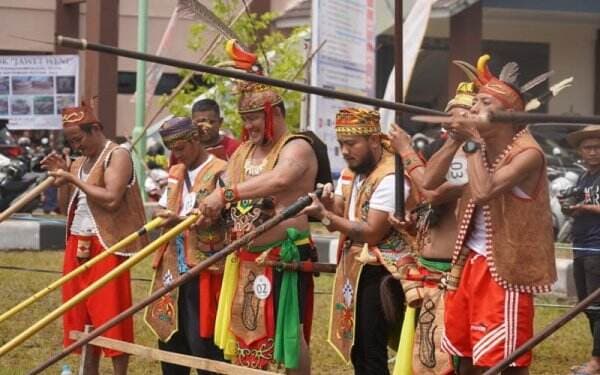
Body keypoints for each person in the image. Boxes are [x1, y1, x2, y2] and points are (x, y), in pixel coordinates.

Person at [423, 55, 557, 374]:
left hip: (507, 271)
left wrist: (469, 142)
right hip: (471, 263)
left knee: (503, 359)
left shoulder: (528, 153)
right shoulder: (479, 143)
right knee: (465, 355)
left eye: (482, 103)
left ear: (506, 114)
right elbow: (428, 183)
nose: (472, 109)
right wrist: (455, 139)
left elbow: (483, 191)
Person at [197, 79, 318, 374]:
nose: (248, 126)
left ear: (273, 112)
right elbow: (223, 183)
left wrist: (227, 194)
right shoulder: (243, 152)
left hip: (283, 256)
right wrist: (208, 207)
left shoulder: (297, 146)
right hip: (245, 256)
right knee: (246, 331)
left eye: (252, 118)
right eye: (244, 120)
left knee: (288, 332)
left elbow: (280, 179)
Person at [301, 108, 419, 375]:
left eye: (351, 144)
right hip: (357, 268)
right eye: (341, 144)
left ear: (374, 141)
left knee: (370, 349)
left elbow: (371, 232)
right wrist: (329, 203)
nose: (344, 151)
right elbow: (346, 211)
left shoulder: (391, 176)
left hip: (381, 271)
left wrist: (326, 216)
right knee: (359, 348)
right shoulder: (357, 169)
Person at [41, 100, 148, 375]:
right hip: (77, 242)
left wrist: (73, 179)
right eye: (71, 141)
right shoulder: (78, 162)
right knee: (80, 315)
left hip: (108, 244)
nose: (77, 146)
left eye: (79, 139)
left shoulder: (118, 155)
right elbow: (67, 209)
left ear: (96, 129)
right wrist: (61, 180)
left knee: (111, 315)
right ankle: (87, 371)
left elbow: (112, 199)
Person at [387, 81, 475, 375]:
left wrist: (405, 150)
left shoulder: (474, 159)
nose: (455, 122)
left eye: (464, 115)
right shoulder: (447, 153)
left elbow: (432, 192)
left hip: (453, 276)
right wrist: (412, 223)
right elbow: (428, 203)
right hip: (427, 274)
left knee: (447, 360)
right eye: (451, 116)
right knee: (424, 354)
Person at [144, 117, 226, 375]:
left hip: (204, 267)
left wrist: (179, 219)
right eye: (172, 150)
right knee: (170, 339)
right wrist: (162, 213)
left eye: (181, 148)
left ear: (195, 140)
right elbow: (170, 206)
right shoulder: (176, 172)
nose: (176, 156)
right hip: (170, 265)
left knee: (201, 341)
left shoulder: (221, 170)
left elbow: (225, 218)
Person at [564, 125, 600, 375]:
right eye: (588, 148)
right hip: (581, 245)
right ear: (580, 151)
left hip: (598, 247)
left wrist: (586, 208)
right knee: (587, 307)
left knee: (598, 306)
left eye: (598, 147)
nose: (594, 152)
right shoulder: (584, 177)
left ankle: (596, 363)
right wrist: (569, 207)